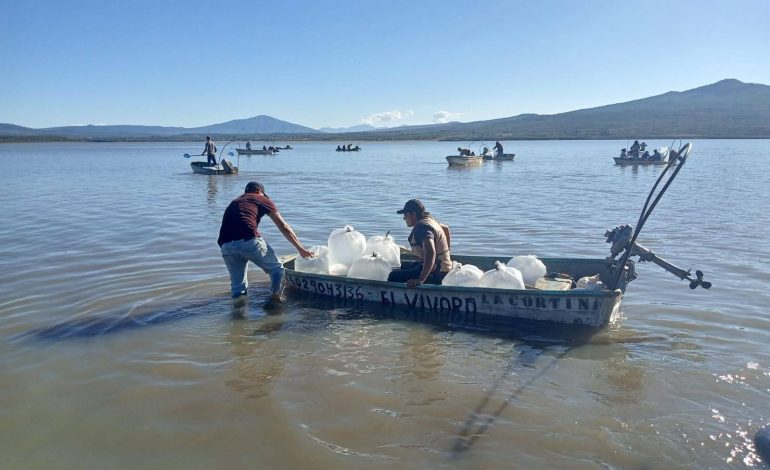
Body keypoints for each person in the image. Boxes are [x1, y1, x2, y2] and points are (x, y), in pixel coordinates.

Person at [218, 181, 313, 301]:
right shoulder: (261, 198)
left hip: (225, 245)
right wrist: (301, 249)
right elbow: (283, 226)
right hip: (248, 240)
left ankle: (237, 314)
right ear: (259, 191)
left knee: (238, 287)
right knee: (277, 270)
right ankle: (275, 298)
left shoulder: (235, 201)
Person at [387, 199, 452, 287]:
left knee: (393, 276)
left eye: (406, 215)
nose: (404, 218)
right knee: (402, 266)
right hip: (443, 268)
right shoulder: (430, 220)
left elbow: (430, 252)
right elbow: (446, 228)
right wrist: (447, 255)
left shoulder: (422, 228)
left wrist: (421, 280)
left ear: (413, 214)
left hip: (436, 274)